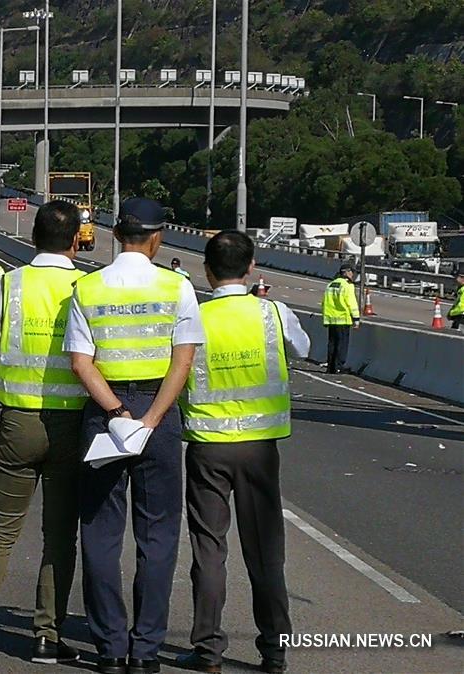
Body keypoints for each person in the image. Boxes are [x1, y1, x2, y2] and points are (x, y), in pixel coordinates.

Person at [65, 197, 204, 674]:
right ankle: (145, 652)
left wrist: (118, 412)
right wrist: (150, 419)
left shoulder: (87, 288)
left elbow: (81, 363)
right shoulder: (178, 286)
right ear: (156, 237)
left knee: (100, 532)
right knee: (158, 534)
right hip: (157, 417)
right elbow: (181, 362)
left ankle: (109, 648)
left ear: (115, 235)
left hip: (104, 415)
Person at [0, 201, 87, 664]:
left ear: (32, 237)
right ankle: (46, 636)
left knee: (0, 528)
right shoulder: (85, 287)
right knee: (59, 535)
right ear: (76, 241)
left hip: (17, 421)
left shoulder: (9, 285)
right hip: (71, 422)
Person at [175, 230, 310, 674]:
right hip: (259, 449)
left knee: (208, 552)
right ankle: (274, 652)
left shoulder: (193, 315)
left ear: (206, 271)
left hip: (208, 448)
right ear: (251, 267)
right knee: (266, 552)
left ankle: (209, 652)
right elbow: (303, 349)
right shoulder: (272, 313)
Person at [321, 262, 359, 374]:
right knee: (342, 344)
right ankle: (339, 366)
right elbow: (351, 303)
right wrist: (356, 319)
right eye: (352, 272)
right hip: (342, 319)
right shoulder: (347, 286)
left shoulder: (331, 284)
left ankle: (331, 366)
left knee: (332, 344)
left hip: (331, 319)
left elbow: (324, 303)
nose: (353, 275)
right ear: (347, 272)